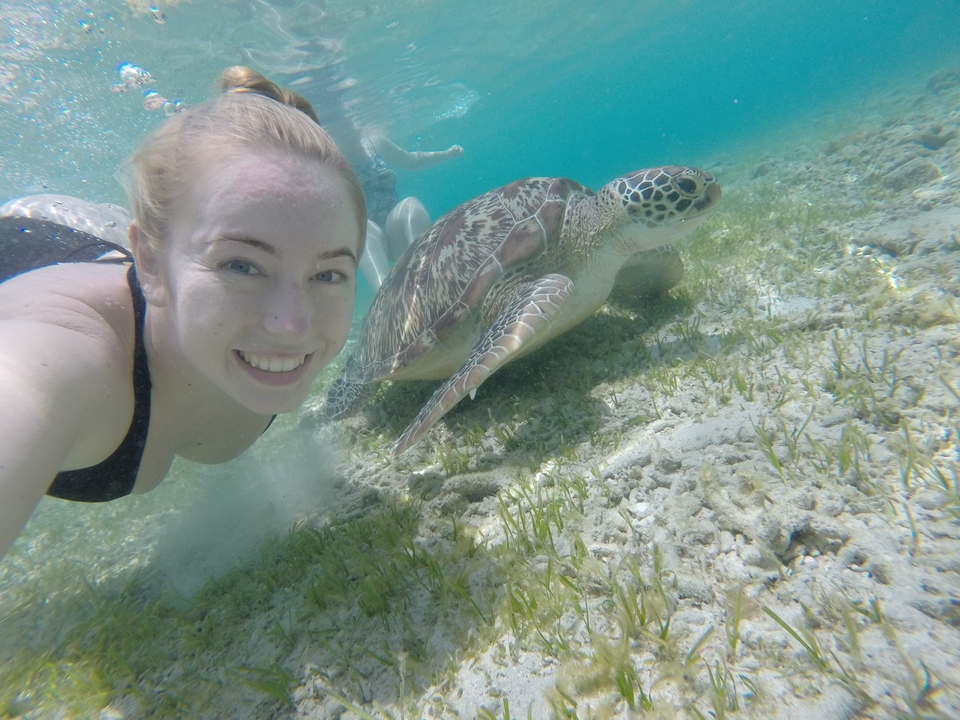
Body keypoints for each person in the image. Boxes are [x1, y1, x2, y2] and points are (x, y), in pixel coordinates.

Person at [0, 66, 366, 560]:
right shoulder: (58, 354)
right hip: (29, 234)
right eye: (242, 265)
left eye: (328, 274)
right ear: (148, 262)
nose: (293, 327)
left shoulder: (229, 315)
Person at [288, 59, 464, 288]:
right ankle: (388, 297)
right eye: (339, 122)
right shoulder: (330, 160)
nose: (347, 125)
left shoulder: (375, 143)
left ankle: (430, 279)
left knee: (411, 205)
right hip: (370, 239)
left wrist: (446, 154)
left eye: (349, 118)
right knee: (366, 228)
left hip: (396, 227)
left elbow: (411, 160)